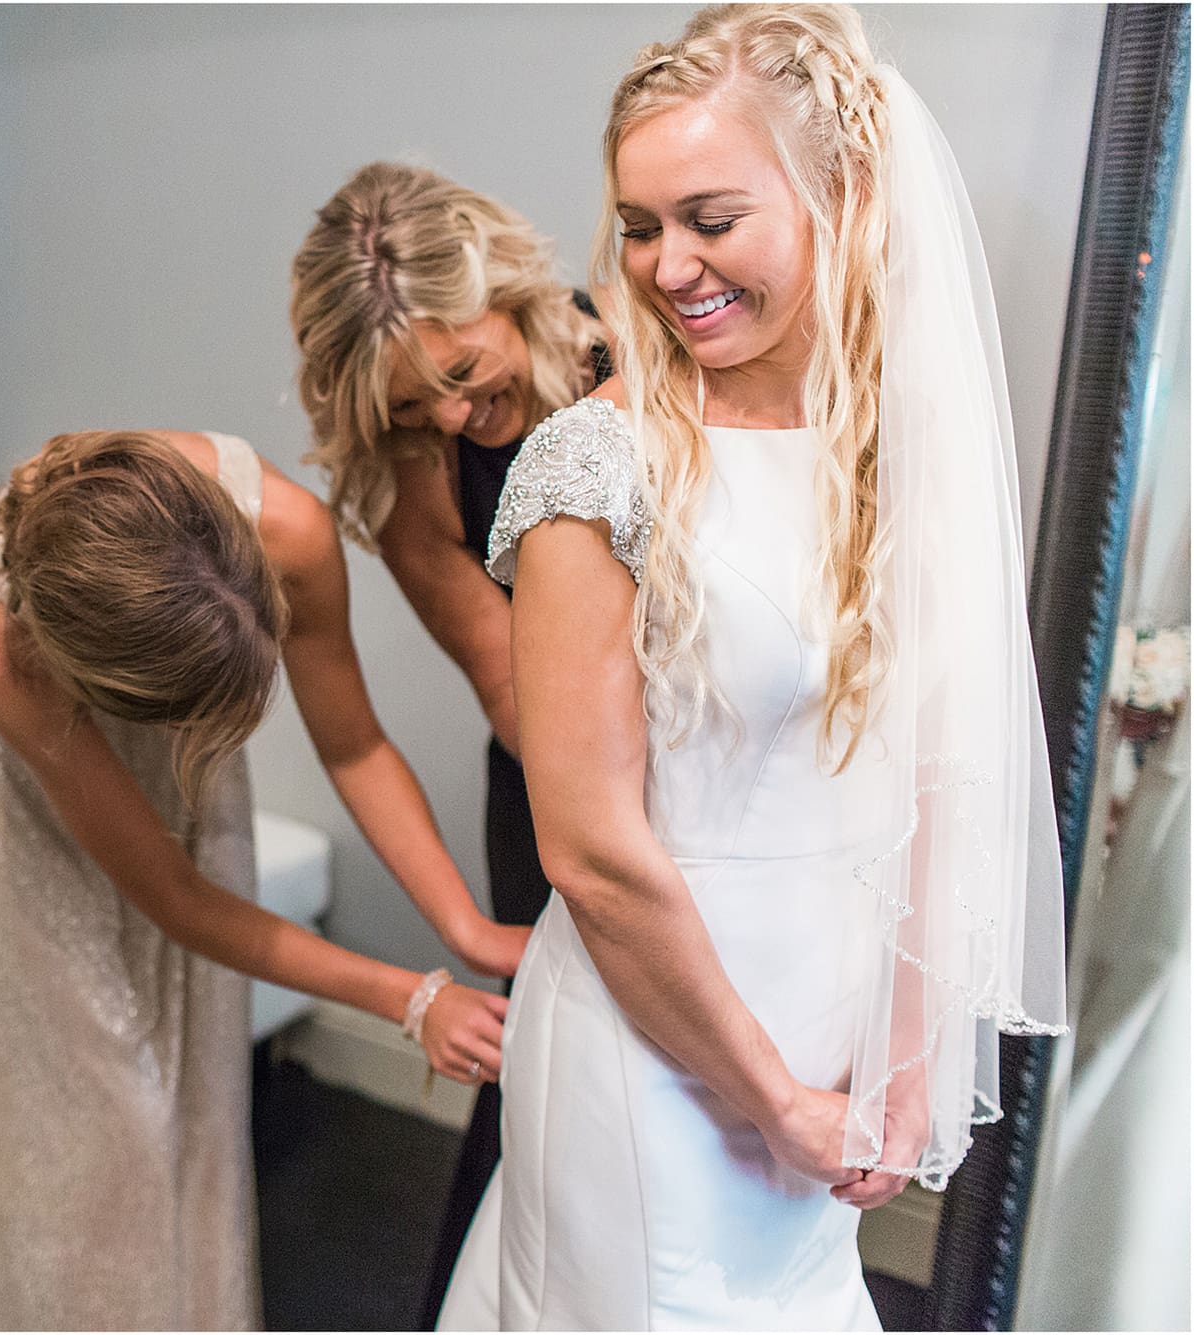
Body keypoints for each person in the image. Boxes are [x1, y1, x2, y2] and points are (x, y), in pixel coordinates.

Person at [441, 5, 1067, 1327]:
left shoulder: (894, 432)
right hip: (655, 1056)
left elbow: (939, 759)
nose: (669, 266)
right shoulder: (593, 467)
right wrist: (775, 1096)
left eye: (712, 220)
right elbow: (595, 855)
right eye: (641, 224)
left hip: (830, 1026)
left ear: (838, 195)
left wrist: (903, 1060)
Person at [0, 428, 526, 1331]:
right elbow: (176, 897)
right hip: (12, 780)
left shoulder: (289, 530)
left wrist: (466, 927)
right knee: (93, 1123)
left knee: (198, 1086)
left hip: (166, 691)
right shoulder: (2, 653)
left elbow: (353, 744)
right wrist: (408, 997)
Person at [287, 161, 611, 1323]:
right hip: (549, 777)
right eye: (409, 408)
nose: (451, 421)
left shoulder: (639, 347)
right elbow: (511, 683)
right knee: (546, 1076)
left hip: (716, 745)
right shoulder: (410, 469)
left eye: (464, 377)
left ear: (511, 296)